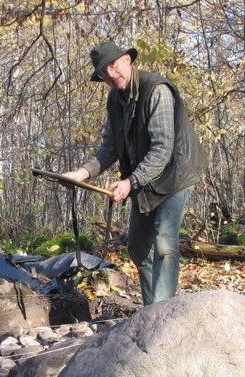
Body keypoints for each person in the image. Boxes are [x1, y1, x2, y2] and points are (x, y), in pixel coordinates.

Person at [62, 40, 208, 306]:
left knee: (164, 242)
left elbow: (163, 148)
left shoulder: (157, 91)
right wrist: (83, 173)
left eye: (112, 66)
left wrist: (130, 182)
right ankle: (153, 307)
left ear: (127, 60)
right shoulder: (115, 99)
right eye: (103, 72)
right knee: (139, 247)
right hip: (145, 177)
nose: (109, 74)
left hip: (176, 174)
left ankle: (162, 313)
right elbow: (110, 146)